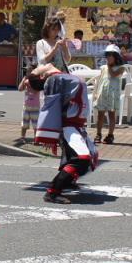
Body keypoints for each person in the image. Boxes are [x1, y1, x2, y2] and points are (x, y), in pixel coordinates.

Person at [28, 62, 98, 204]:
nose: (40, 65)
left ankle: (67, 181)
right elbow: (51, 105)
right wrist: (49, 131)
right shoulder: (54, 80)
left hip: (76, 125)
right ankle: (52, 193)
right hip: (69, 126)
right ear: (42, 75)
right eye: (37, 69)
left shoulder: (60, 76)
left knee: (89, 156)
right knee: (81, 159)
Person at [93, 44, 125, 145]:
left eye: (111, 55)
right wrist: (96, 91)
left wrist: (109, 66)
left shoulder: (121, 68)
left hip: (112, 94)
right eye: (107, 55)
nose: (108, 57)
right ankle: (98, 133)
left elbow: (113, 74)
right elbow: (100, 79)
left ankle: (110, 134)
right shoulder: (103, 68)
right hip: (103, 93)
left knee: (111, 114)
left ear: (116, 56)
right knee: (100, 114)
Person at [17, 71, 41, 143]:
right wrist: (23, 80)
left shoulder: (37, 82)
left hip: (35, 107)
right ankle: (22, 137)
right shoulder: (26, 82)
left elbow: (36, 90)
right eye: (27, 73)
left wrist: (30, 84)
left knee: (36, 125)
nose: (29, 74)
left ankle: (36, 139)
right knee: (24, 124)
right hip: (26, 107)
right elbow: (20, 89)